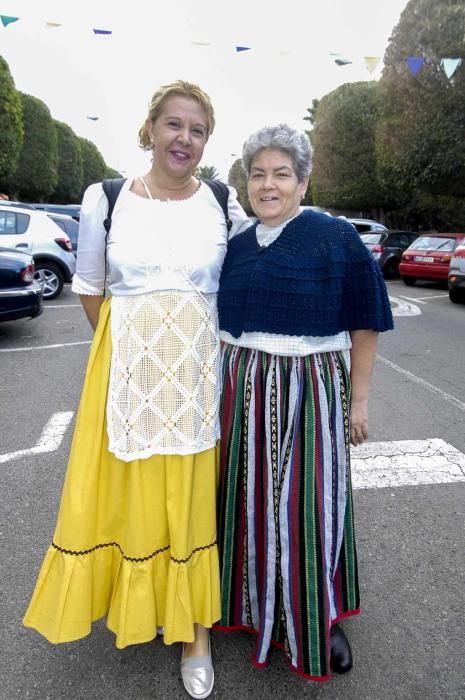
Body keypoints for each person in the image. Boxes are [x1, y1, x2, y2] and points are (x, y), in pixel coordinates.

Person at [23, 80, 249, 700]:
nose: (185, 139)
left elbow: (242, 283)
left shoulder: (224, 204)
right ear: (150, 128)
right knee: (133, 499)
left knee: (191, 500)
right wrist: (129, 355)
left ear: (207, 142)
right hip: (126, 374)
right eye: (174, 125)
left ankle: (194, 634)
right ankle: (138, 603)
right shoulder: (108, 198)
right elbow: (90, 286)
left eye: (197, 130)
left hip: (200, 378)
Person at [215, 124, 394, 681]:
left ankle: (320, 614)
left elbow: (367, 320)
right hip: (241, 386)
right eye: (258, 175)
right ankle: (248, 603)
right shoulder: (238, 243)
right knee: (245, 500)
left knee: (308, 503)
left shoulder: (332, 236)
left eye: (281, 174)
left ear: (303, 181)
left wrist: (358, 403)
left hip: (310, 389)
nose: (268, 185)